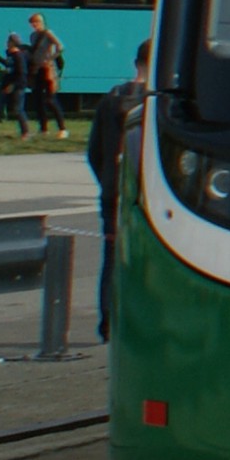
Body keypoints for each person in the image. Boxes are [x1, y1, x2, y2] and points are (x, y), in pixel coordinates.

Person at [86, 41, 149, 337]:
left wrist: (108, 181)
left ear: (135, 63)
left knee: (111, 257)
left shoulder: (110, 99)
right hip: (146, 194)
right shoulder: (157, 103)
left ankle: (107, 321)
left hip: (112, 191)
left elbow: (94, 152)